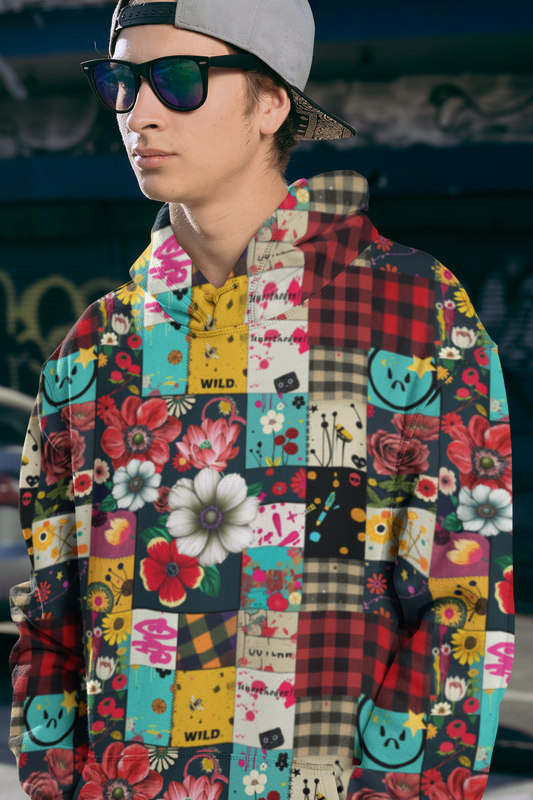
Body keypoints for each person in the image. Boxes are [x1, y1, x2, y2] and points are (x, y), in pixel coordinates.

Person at [9, 1, 514, 798]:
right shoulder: (95, 348)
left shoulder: (414, 315)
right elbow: (50, 619)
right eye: (119, 81)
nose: (137, 112)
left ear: (272, 102)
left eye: (176, 80)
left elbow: (460, 613)